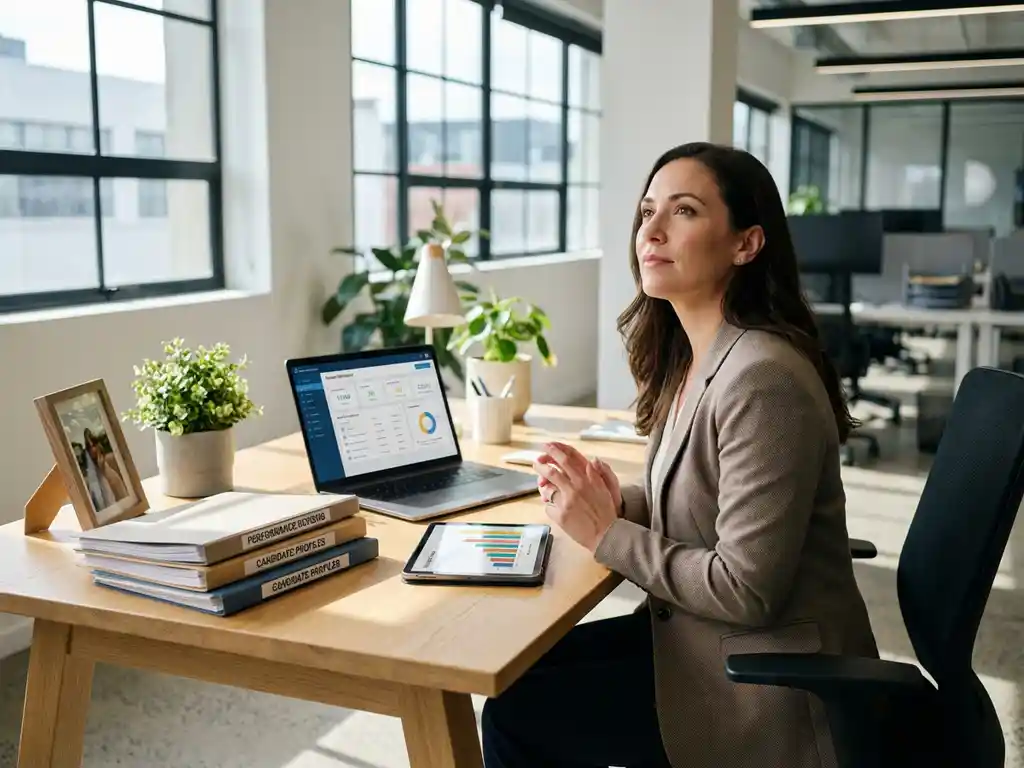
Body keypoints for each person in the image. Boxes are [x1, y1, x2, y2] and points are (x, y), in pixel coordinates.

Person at [480, 142, 879, 768]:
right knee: (515, 678)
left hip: (762, 679)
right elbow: (707, 503)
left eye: (684, 211)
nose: (652, 231)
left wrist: (606, 533)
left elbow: (746, 591)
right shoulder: (697, 356)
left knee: (516, 715)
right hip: (699, 638)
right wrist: (612, 501)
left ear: (746, 244)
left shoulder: (761, 378)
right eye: (646, 212)